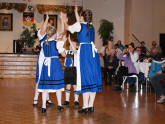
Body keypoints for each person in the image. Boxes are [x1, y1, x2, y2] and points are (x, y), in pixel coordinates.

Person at [62, 5, 102, 113]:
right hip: (93, 53)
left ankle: (85, 107)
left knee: (84, 78)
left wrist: (64, 20)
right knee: (92, 78)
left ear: (82, 17)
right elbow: (80, 22)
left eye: (80, 16)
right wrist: (76, 12)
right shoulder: (91, 26)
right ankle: (90, 106)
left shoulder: (80, 26)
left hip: (84, 53)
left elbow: (68, 28)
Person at [35, 13, 66, 113]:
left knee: (45, 87)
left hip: (46, 65)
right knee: (58, 87)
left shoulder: (44, 43)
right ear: (54, 34)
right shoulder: (57, 43)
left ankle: (43, 106)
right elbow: (63, 54)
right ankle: (60, 105)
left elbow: (59, 32)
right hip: (55, 65)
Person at [63, 34, 79, 108]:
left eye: (73, 44)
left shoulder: (77, 52)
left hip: (74, 70)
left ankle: (76, 100)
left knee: (75, 86)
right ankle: (67, 100)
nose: (71, 45)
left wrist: (70, 40)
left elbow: (74, 50)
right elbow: (61, 51)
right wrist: (63, 41)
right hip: (67, 69)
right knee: (68, 85)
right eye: (70, 44)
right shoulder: (67, 52)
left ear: (77, 46)